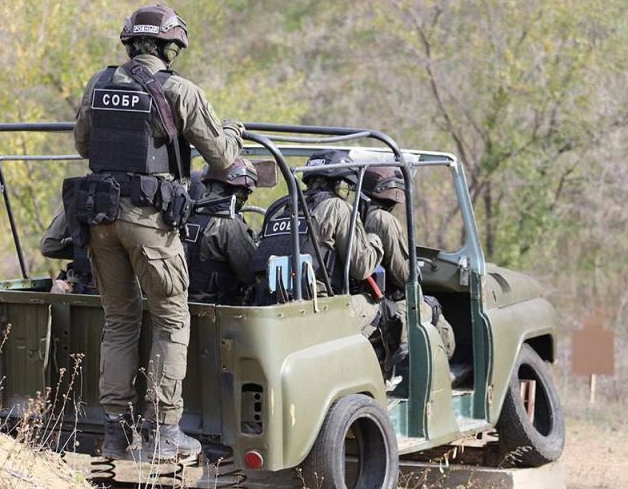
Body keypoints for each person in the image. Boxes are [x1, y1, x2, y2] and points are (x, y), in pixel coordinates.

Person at [69, 4, 242, 461]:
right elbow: (222, 159)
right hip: (148, 221)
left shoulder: (100, 82)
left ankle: (115, 432)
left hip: (98, 218)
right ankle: (165, 431)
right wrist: (232, 134)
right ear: (171, 47)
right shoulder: (180, 90)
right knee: (170, 318)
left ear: (129, 43)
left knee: (120, 320)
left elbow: (83, 144)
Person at [250, 149, 383, 336]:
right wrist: (374, 240)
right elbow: (361, 268)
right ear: (338, 184)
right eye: (346, 188)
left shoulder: (278, 207)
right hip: (318, 305)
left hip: (270, 303)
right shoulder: (338, 207)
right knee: (374, 305)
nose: (346, 194)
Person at [361, 165, 456, 362]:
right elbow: (404, 275)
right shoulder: (383, 219)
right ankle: (442, 374)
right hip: (384, 303)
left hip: (363, 299)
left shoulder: (351, 213)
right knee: (432, 307)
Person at [183, 157, 259, 304]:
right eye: (245, 194)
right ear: (236, 191)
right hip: (214, 310)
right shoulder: (228, 224)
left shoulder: (185, 214)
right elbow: (251, 272)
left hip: (178, 304)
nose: (245, 199)